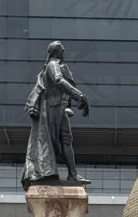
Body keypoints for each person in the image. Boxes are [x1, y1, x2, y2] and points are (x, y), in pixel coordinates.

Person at [22, 40, 90, 186]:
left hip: (60, 108)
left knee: (66, 139)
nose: (64, 52)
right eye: (62, 50)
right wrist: (79, 95)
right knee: (53, 141)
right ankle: (53, 173)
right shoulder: (53, 65)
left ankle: (73, 175)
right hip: (52, 108)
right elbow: (58, 81)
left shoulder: (55, 65)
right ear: (56, 51)